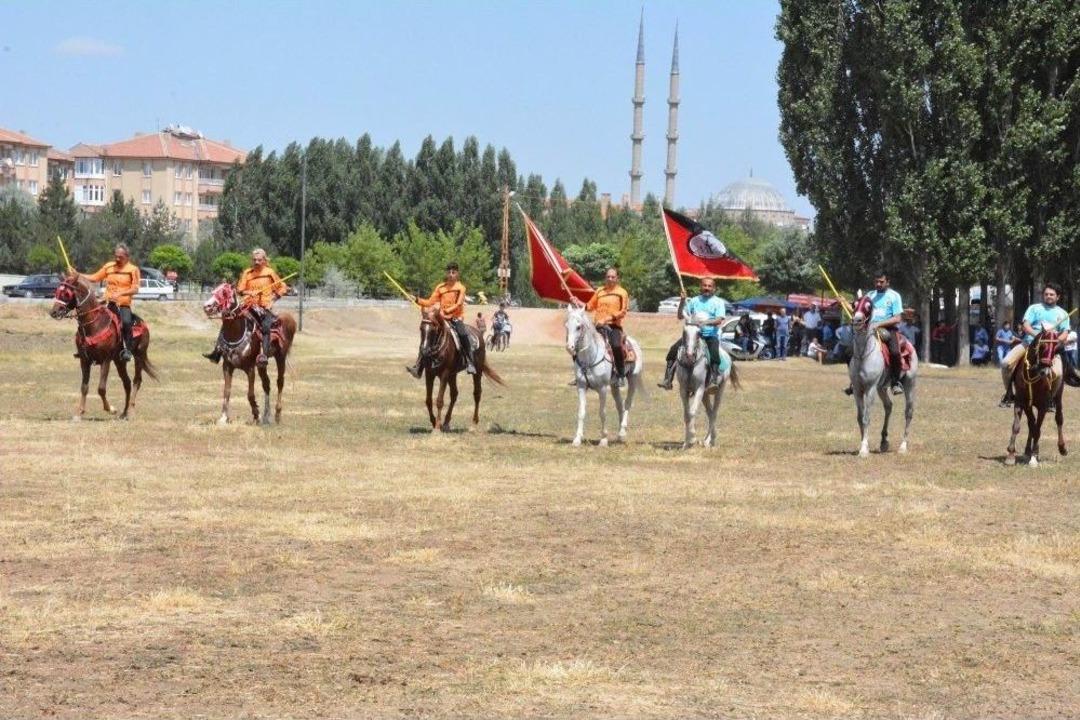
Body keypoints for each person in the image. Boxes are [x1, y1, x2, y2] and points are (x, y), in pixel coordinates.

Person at [204, 248, 287, 367]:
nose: (256, 262)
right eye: (254, 260)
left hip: (264, 307)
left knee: (265, 326)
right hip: (247, 305)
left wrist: (273, 300)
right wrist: (249, 293)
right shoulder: (247, 273)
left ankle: (263, 355)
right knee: (229, 320)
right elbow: (240, 290)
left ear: (264, 260)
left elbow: (282, 287)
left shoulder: (270, 273)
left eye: (259, 260)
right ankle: (217, 351)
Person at [999, 282, 1078, 405]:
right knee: (1005, 363)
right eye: (1046, 294)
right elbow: (1026, 325)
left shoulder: (1062, 313)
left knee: (1059, 373)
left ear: (1058, 297)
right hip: (1028, 344)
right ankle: (1009, 394)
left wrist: (1053, 341)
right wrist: (1037, 336)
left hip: (1051, 348)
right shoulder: (1034, 308)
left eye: (1052, 294)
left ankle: (1050, 399)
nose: (1049, 296)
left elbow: (1065, 333)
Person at [406, 262, 474, 376]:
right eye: (449, 272)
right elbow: (429, 302)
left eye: (453, 272)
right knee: (427, 336)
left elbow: (458, 304)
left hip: (455, 318)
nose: (451, 274)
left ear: (457, 274)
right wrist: (417, 299)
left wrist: (446, 311)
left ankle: (470, 362)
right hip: (441, 318)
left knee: (463, 334)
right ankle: (418, 367)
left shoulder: (461, 288)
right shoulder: (440, 287)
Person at [658, 277, 727, 390]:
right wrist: (681, 301)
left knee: (714, 354)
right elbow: (680, 316)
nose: (707, 288)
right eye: (704, 285)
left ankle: (714, 380)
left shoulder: (718, 302)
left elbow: (719, 320)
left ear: (714, 288)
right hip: (693, 336)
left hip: (709, 335)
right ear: (700, 286)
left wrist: (704, 322)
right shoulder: (694, 301)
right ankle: (668, 379)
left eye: (710, 286)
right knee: (672, 351)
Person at [81, 244, 140, 362]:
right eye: (116, 256)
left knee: (126, 322)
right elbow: (94, 278)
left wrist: (120, 294)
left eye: (120, 257)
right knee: (89, 319)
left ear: (127, 257)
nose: (117, 259)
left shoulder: (133, 269)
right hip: (108, 303)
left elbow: (135, 289)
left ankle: (127, 350)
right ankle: (85, 348)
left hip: (123, 305)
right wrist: (78, 274)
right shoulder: (109, 266)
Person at [573, 267, 630, 385]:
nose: (610, 279)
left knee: (615, 345)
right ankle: (579, 374)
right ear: (605, 278)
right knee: (578, 344)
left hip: (613, 327)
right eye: (608, 277)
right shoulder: (599, 291)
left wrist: (607, 319)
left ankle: (620, 375)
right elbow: (589, 306)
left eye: (613, 277)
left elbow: (623, 311)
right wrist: (578, 302)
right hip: (597, 327)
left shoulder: (622, 292)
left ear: (617, 278)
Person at [866, 271, 905, 394]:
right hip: (869, 330)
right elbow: (859, 310)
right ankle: (854, 381)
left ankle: (896, 382)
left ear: (888, 282)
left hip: (888, 329)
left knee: (894, 352)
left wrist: (878, 324)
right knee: (850, 350)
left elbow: (897, 318)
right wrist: (844, 303)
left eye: (881, 282)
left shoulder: (894, 296)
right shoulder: (869, 295)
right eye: (876, 281)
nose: (878, 284)